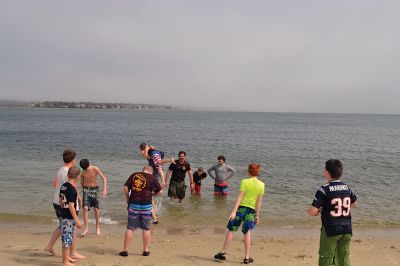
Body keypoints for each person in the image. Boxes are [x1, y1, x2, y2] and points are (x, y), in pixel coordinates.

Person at [307, 159, 358, 266]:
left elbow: (312, 211)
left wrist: (318, 211)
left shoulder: (324, 189)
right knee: (344, 258)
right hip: (347, 229)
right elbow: (354, 202)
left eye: (324, 168)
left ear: (327, 172)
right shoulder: (346, 187)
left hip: (331, 230)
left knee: (326, 257)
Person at [214, 164, 265, 264]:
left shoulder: (244, 181)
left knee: (231, 230)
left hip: (241, 209)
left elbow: (240, 197)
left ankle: (223, 252)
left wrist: (234, 211)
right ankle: (247, 257)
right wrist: (257, 215)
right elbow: (259, 201)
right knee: (246, 232)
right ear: (258, 172)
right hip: (251, 211)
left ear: (248, 172)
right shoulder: (261, 185)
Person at [45, 150, 84, 262]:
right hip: (64, 203)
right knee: (69, 227)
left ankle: (51, 246)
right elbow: (72, 186)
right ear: (73, 160)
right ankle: (71, 253)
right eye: (75, 159)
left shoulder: (61, 170)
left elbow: (55, 184)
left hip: (58, 200)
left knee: (63, 226)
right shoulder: (70, 171)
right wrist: (79, 198)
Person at [119, 166, 162, 257]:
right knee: (146, 228)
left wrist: (128, 199)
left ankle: (125, 250)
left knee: (130, 228)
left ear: (143, 170)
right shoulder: (152, 177)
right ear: (150, 172)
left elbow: (125, 188)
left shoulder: (134, 175)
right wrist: (152, 194)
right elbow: (160, 191)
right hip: (146, 205)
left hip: (134, 203)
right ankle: (145, 251)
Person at [139, 143, 172, 224]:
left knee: (151, 197)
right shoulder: (152, 156)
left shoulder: (148, 155)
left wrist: (147, 148)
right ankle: (153, 217)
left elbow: (146, 154)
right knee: (151, 199)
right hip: (153, 177)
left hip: (152, 178)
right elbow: (152, 152)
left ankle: (153, 218)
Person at [59, 166, 84, 266]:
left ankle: (67, 257)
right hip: (69, 218)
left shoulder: (64, 186)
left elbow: (60, 199)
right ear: (77, 177)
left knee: (67, 237)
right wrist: (77, 220)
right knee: (67, 240)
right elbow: (71, 206)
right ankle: (65, 262)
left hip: (65, 215)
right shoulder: (72, 189)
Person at [79, 159, 107, 236]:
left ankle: (97, 227)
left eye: (86, 168)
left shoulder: (95, 168)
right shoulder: (82, 171)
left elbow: (104, 178)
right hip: (86, 190)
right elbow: (81, 182)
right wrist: (84, 191)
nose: (86, 170)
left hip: (94, 190)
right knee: (85, 208)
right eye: (84, 169)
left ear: (88, 165)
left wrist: (104, 190)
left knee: (96, 209)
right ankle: (86, 229)